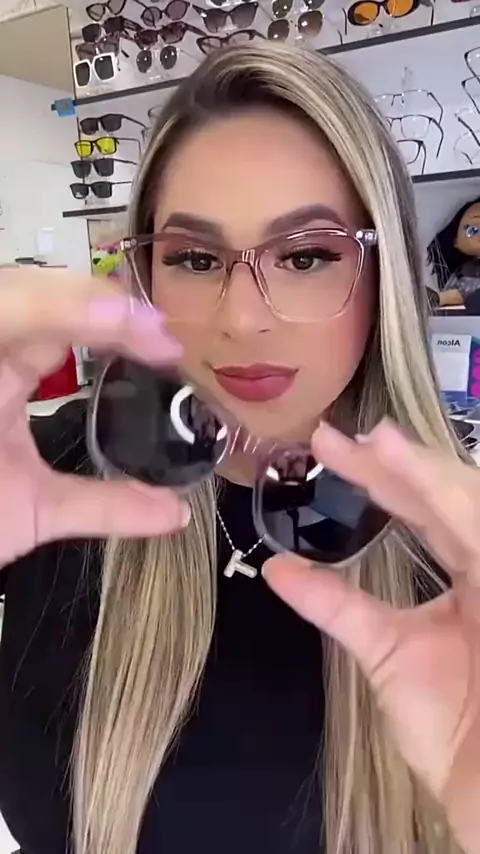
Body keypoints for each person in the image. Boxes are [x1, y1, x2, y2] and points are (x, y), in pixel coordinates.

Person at [0, 43, 479, 854]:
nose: (244, 319)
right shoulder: (49, 478)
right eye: (195, 259)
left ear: (385, 276)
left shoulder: (459, 557)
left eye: (306, 256)